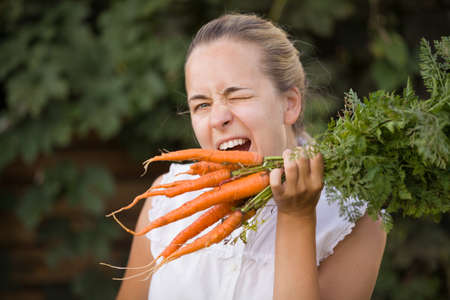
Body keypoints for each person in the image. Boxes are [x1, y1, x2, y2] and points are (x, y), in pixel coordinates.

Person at [116, 13, 386, 300]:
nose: (218, 118)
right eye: (202, 105)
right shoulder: (165, 200)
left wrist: (296, 217)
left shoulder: (354, 219)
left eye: (238, 96)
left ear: (289, 104)